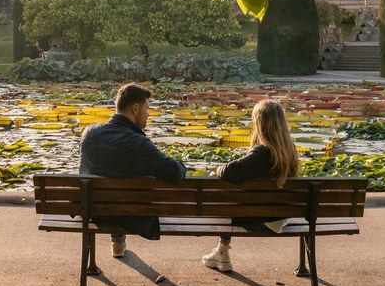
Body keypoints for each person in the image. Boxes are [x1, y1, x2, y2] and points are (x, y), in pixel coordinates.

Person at [78, 83, 186, 257]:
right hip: (129, 214)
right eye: (147, 108)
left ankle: (117, 240)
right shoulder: (139, 143)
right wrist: (182, 165)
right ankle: (118, 239)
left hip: (92, 210)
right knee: (133, 173)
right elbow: (174, 172)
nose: (148, 114)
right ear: (136, 108)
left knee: (113, 170)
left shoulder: (89, 132)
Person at [201, 99, 300, 272]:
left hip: (263, 220)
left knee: (225, 201)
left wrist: (217, 168)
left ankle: (222, 252)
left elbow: (228, 172)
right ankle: (221, 252)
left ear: (259, 123)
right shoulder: (289, 150)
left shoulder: (261, 154)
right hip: (282, 216)